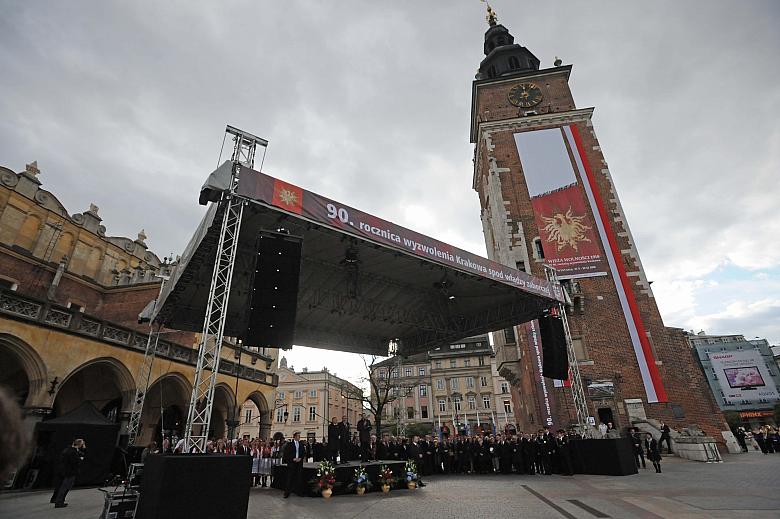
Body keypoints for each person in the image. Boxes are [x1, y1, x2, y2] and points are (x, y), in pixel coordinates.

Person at [51, 438, 86, 508]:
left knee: (61, 486)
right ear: (79, 445)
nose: (83, 446)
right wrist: (80, 459)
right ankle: (59, 502)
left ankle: (57, 500)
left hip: (63, 471)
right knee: (65, 487)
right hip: (70, 472)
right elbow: (74, 462)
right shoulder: (73, 452)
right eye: (82, 444)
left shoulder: (67, 450)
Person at [282, 432, 305, 498]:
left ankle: (299, 492)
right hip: (292, 463)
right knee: (290, 478)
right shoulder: (290, 444)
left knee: (299, 478)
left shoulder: (301, 444)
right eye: (298, 436)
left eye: (299, 436)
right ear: (294, 437)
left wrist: (300, 458)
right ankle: (287, 493)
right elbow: (287, 454)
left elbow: (303, 452)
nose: (299, 437)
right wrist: (292, 458)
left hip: (299, 463)